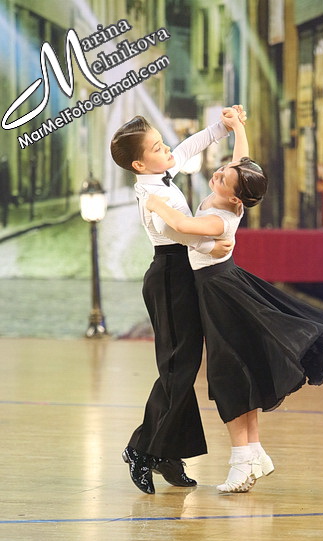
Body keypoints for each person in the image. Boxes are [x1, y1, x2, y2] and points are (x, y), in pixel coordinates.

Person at [144, 108, 323, 493]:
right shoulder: (233, 192)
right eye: (223, 171)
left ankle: (243, 460)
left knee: (229, 375)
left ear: (234, 195)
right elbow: (240, 159)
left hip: (220, 292)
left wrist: (154, 203)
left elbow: (183, 226)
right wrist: (236, 126)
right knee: (239, 370)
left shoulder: (219, 217)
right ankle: (252, 453)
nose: (218, 173)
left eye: (223, 177)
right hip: (222, 285)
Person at [110, 108, 243, 494]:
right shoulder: (151, 194)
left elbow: (188, 146)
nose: (167, 149)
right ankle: (140, 449)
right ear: (139, 164)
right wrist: (209, 246)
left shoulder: (164, 170)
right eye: (156, 147)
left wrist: (222, 127)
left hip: (183, 274)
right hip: (169, 276)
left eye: (161, 142)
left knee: (184, 367)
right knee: (176, 369)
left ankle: (168, 453)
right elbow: (171, 229)